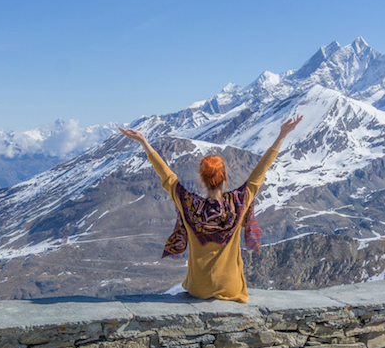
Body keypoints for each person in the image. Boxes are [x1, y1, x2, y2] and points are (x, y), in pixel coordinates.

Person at [118, 115, 303, 302]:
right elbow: (260, 172)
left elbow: (167, 177)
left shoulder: (188, 204)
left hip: (198, 288)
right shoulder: (239, 201)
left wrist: (143, 141)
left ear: (202, 180)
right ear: (225, 178)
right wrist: (282, 135)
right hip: (230, 287)